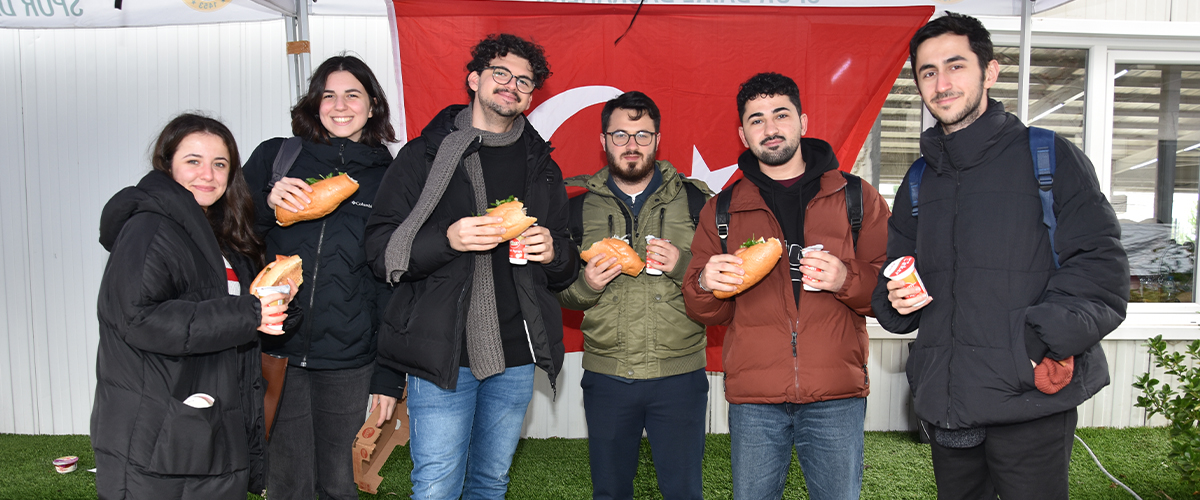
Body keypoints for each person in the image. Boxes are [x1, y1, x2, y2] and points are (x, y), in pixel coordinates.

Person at [870, 13, 1129, 499]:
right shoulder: (920, 179)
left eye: (956, 65)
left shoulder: (1049, 157)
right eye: (928, 71)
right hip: (949, 405)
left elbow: (1102, 272)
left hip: (1029, 401)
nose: (942, 83)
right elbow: (895, 271)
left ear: (989, 72)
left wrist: (1034, 345)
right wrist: (897, 297)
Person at [364, 33, 578, 499]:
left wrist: (553, 251)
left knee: (490, 482)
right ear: (474, 78)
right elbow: (380, 251)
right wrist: (448, 239)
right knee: (436, 486)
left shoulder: (541, 164)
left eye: (524, 80)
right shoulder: (423, 156)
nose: (513, 85)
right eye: (501, 73)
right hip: (440, 352)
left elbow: (565, 270)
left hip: (516, 355)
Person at [682, 72, 890, 500]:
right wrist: (705, 283)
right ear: (743, 133)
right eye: (756, 119)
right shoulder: (721, 208)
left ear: (804, 122)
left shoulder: (856, 197)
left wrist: (845, 278)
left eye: (781, 114)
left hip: (836, 391)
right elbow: (705, 310)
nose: (770, 128)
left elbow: (888, 292)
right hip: (755, 397)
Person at [94, 113, 296, 499]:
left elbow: (236, 311)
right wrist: (250, 314)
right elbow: (139, 318)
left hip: (209, 427)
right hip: (159, 432)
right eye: (193, 161)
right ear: (166, 164)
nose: (208, 174)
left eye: (219, 164)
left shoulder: (220, 234)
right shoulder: (150, 228)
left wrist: (279, 305)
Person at [241, 55, 401, 499]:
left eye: (353, 94)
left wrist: (388, 376)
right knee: (286, 483)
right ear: (314, 105)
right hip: (277, 351)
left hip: (350, 359)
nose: (340, 105)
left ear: (372, 106)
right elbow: (232, 238)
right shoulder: (277, 157)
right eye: (328, 95)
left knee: (339, 483)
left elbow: (395, 284)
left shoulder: (390, 178)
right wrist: (265, 201)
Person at [558, 91, 712, 500]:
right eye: (621, 134)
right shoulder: (576, 208)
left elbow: (719, 287)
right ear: (603, 140)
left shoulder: (698, 201)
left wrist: (681, 263)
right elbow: (561, 294)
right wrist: (587, 284)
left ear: (658, 141)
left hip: (679, 376)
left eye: (642, 135)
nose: (632, 145)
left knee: (684, 492)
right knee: (609, 492)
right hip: (608, 376)